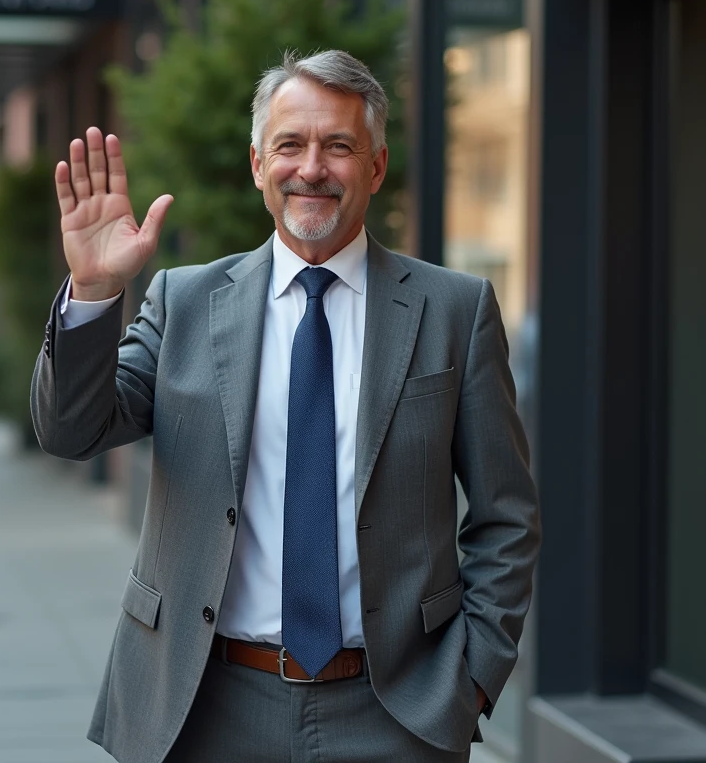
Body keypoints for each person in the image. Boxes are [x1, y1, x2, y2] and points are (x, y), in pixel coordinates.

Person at [31, 50, 541, 763]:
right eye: (290, 145)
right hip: (207, 707)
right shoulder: (185, 302)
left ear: (377, 166)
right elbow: (69, 431)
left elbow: (505, 516)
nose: (312, 168)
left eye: (338, 146)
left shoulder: (454, 310)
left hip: (396, 711)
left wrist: (473, 678)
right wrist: (92, 293)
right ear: (256, 164)